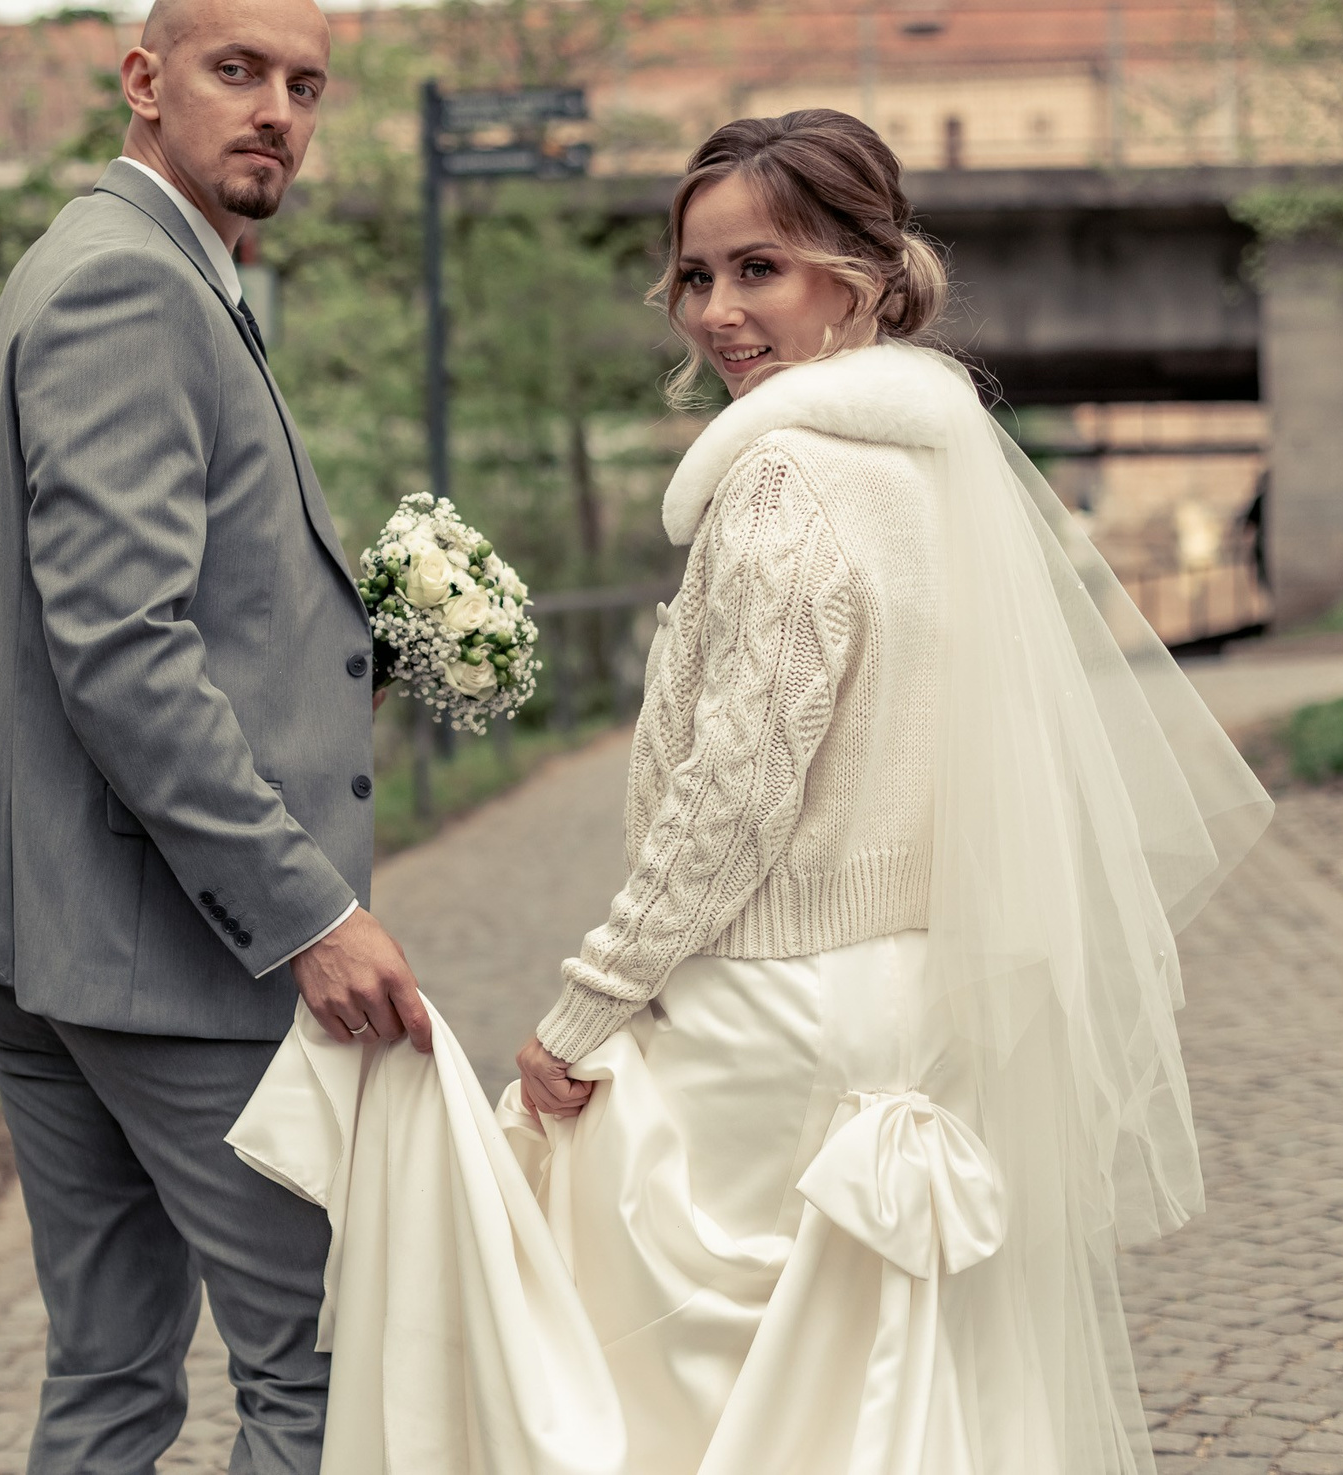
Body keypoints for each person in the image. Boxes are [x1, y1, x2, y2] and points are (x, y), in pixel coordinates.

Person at [228, 110, 1271, 1475]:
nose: (717, 312)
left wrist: (589, 1008)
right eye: (696, 277)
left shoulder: (783, 481)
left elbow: (736, 797)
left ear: (863, 273)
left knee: (654, 1392)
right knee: (858, 1394)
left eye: (758, 270)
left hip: (768, 1012)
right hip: (902, 998)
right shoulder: (933, 462)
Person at [0, 0, 430, 1475]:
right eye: (239, 71)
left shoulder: (126, 261)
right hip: (159, 950)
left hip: (44, 929)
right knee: (323, 1364)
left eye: (306, 87)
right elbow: (120, 647)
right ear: (144, 78)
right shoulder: (129, 280)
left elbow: (163, 604)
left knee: (110, 1377)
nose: (278, 114)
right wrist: (307, 913)